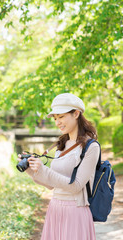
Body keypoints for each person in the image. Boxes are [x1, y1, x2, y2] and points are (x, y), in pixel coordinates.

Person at [18, 93, 100, 240]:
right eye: (55, 118)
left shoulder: (91, 147)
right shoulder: (61, 144)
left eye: (61, 117)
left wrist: (44, 170)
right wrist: (32, 170)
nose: (57, 122)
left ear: (76, 114)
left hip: (75, 211)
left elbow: (76, 186)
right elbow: (51, 185)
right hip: (55, 208)